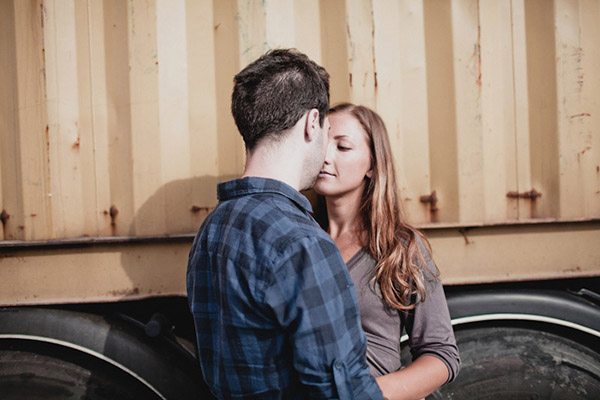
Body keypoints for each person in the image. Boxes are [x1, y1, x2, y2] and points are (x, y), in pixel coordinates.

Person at [186, 50, 383, 399]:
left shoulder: (213, 227)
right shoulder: (302, 244)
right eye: (326, 128)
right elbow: (343, 391)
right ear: (311, 123)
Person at [313, 103, 460, 400]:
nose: (325, 156)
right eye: (321, 143)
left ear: (371, 165)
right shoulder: (297, 240)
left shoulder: (399, 248)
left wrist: (367, 393)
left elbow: (441, 355)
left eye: (342, 147)